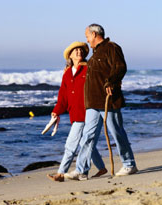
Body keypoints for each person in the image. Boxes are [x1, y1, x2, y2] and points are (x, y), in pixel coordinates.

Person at [65, 24, 138, 180]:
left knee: (117, 133)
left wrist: (111, 82)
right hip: (92, 102)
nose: (87, 40)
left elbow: (120, 67)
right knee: (87, 136)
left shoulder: (112, 48)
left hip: (108, 100)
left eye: (87, 37)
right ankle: (81, 170)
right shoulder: (94, 54)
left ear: (93, 34)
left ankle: (129, 164)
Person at [47, 41, 107, 182]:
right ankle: (101, 168)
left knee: (71, 144)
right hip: (76, 113)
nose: (79, 52)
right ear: (70, 55)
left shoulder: (89, 68)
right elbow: (63, 95)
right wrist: (56, 111)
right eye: (76, 51)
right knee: (85, 143)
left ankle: (61, 174)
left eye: (81, 50)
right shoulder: (67, 74)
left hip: (91, 111)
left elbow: (101, 82)